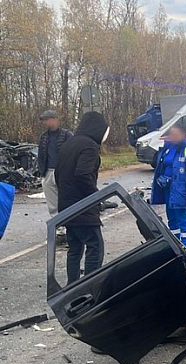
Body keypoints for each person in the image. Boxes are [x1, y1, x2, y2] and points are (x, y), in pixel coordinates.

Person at [56, 111, 109, 284]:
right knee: (95, 246)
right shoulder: (89, 146)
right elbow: (83, 174)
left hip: (67, 207)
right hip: (83, 208)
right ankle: (89, 287)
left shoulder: (69, 143)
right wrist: (96, 197)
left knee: (74, 248)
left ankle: (72, 286)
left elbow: (58, 174)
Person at [151, 124, 186, 248]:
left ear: (182, 135)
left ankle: (185, 247)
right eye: (171, 134)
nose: (172, 137)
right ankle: (175, 244)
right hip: (167, 189)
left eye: (175, 134)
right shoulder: (168, 148)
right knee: (171, 218)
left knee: (182, 218)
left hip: (181, 190)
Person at [38, 110, 73, 241]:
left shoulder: (67, 135)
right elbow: (41, 155)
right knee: (53, 205)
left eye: (46, 120)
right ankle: (59, 231)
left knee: (66, 202)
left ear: (54, 119)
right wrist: (42, 172)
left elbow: (73, 153)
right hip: (47, 172)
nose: (44, 123)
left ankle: (70, 229)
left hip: (63, 173)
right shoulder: (44, 137)